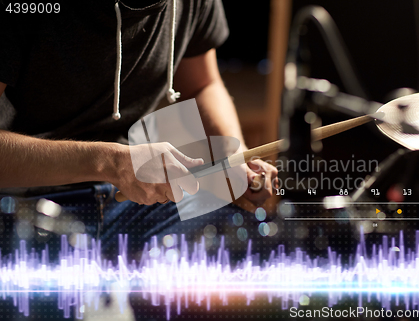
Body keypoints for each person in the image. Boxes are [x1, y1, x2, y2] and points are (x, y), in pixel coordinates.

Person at [0, 0, 277, 318]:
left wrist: (233, 156)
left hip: (132, 199)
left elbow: (203, 84)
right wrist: (110, 163)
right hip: (26, 199)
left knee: (246, 253)